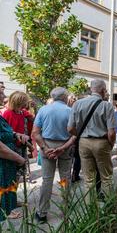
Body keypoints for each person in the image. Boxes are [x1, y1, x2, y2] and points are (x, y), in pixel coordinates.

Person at [68, 79, 116, 200]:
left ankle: (90, 211)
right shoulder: (107, 105)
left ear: (91, 89)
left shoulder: (77, 104)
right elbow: (111, 133)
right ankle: (107, 206)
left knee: (88, 179)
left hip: (83, 142)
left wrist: (80, 134)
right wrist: (111, 144)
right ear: (103, 90)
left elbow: (70, 128)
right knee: (106, 177)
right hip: (101, 142)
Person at [32, 87, 74, 223]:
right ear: (64, 97)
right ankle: (66, 211)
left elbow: (35, 133)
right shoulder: (70, 111)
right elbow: (75, 134)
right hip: (65, 145)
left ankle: (42, 213)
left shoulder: (44, 109)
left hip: (47, 144)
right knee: (65, 178)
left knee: (47, 180)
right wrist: (62, 148)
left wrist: (45, 148)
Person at [0, 116, 27, 221]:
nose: (3, 98)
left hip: (7, 161)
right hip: (2, 162)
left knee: (9, 184)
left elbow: (5, 132)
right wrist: (19, 158)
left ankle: (8, 209)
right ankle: (4, 211)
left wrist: (15, 134)